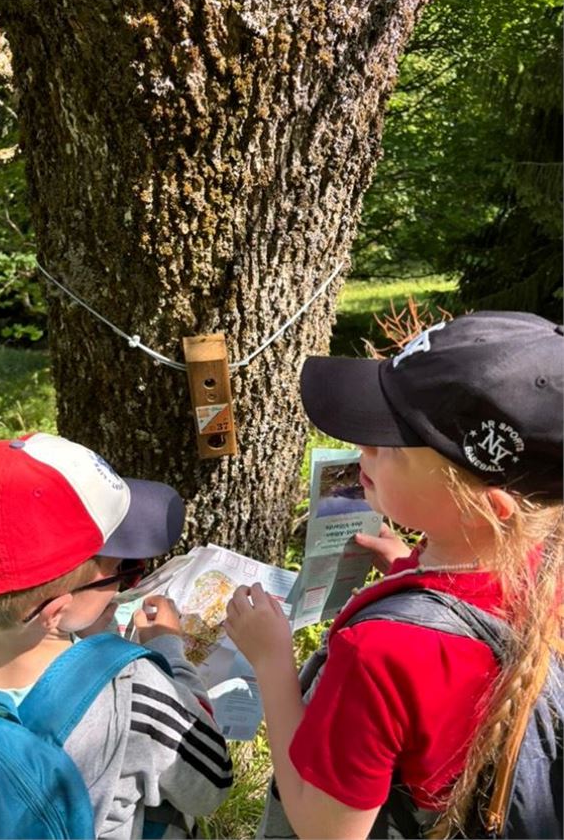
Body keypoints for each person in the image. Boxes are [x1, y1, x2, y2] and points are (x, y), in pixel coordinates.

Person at [225, 311, 563, 839]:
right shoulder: (548, 565)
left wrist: (272, 663)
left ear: (483, 507)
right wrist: (413, 567)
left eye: (387, 447)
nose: (363, 450)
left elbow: (324, 828)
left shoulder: (380, 652)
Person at [0, 432, 233, 839]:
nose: (125, 577)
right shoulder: (131, 692)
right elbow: (211, 783)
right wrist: (168, 648)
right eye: (122, 570)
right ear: (56, 611)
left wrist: (77, 625)